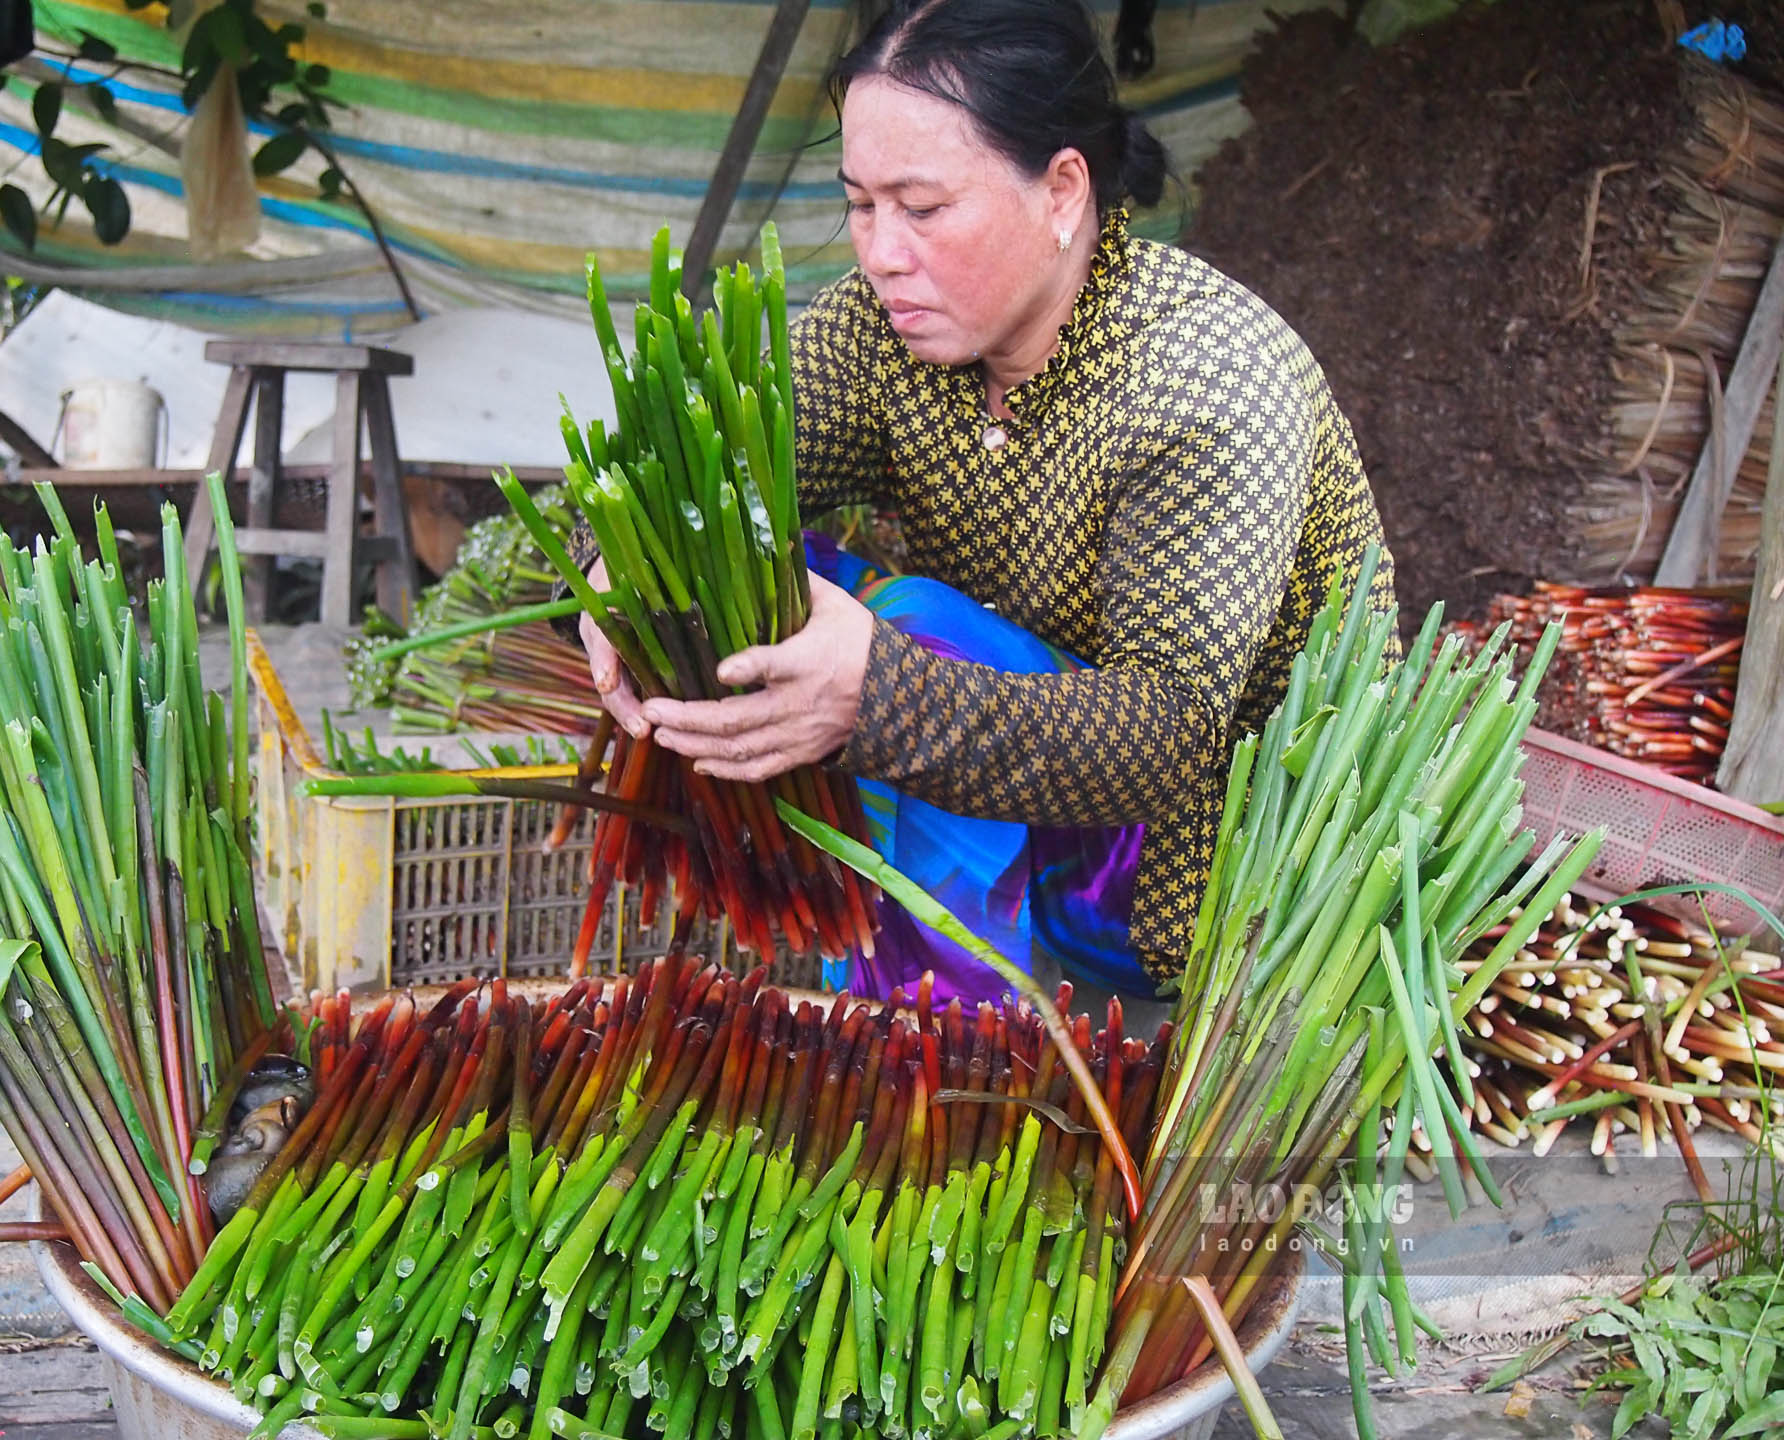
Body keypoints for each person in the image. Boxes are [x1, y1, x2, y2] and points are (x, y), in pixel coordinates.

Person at [574, 0, 1396, 1005]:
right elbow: (713, 481)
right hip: (1018, 769)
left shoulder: (1201, 379)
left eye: (922, 210)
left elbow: (1167, 732)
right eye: (861, 205)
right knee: (747, 578)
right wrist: (622, 561)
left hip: (1200, 857)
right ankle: (831, 929)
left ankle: (928, 1044)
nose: (880, 252)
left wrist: (875, 696)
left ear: (1061, 191)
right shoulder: (886, 330)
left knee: (910, 631)